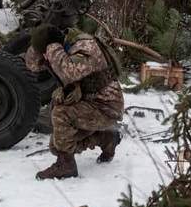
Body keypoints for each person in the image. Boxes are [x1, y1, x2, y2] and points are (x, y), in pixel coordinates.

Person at [25, 23, 124, 180]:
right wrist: (43, 49)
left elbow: (68, 74)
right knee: (57, 145)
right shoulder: (64, 45)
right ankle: (106, 139)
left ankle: (66, 166)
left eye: (47, 51)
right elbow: (32, 65)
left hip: (106, 107)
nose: (46, 57)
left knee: (61, 114)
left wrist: (53, 48)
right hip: (89, 103)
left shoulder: (86, 46)